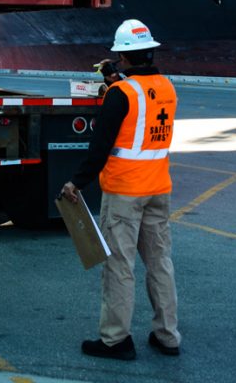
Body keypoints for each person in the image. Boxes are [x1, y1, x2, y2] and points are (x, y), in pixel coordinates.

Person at [60, 18, 180, 362]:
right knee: (160, 263)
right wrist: (119, 81)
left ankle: (115, 340)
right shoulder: (168, 88)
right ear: (151, 52)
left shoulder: (120, 94)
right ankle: (168, 335)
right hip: (159, 187)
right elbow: (143, 114)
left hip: (126, 192)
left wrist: (76, 182)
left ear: (123, 58)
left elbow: (99, 149)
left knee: (119, 267)